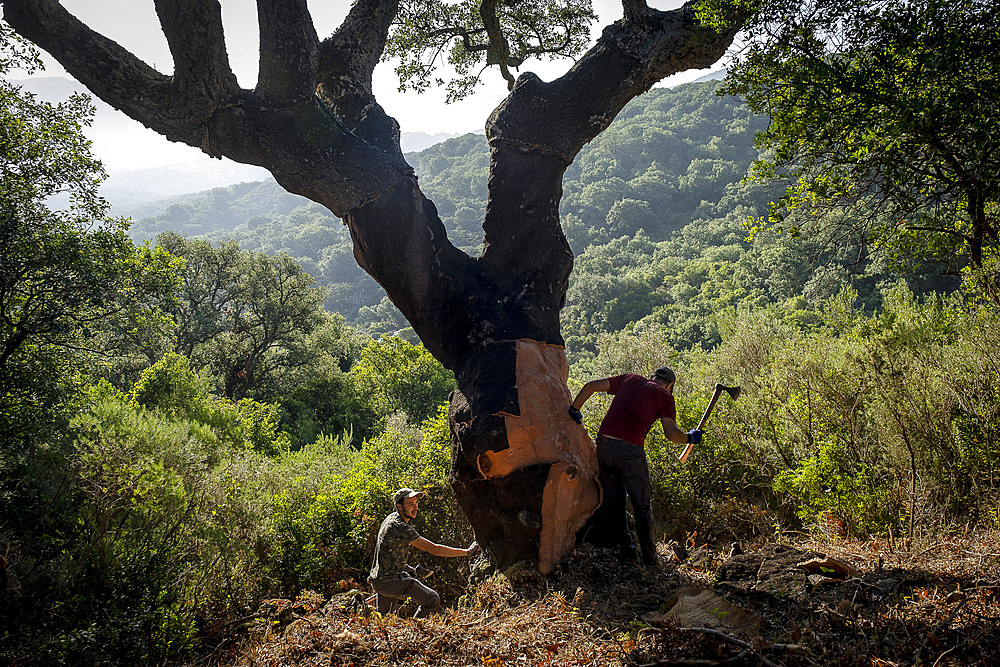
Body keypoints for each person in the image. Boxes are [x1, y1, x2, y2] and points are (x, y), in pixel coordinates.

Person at [569, 366, 702, 565]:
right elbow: (671, 434)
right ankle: (649, 557)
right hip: (629, 449)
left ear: (651, 377)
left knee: (615, 501)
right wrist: (690, 437)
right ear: (670, 385)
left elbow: (590, 386)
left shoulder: (630, 379)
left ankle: (628, 550)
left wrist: (574, 409)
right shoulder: (665, 396)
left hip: (604, 443)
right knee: (642, 504)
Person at [368, 487, 478, 617]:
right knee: (432, 599)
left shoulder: (391, 519)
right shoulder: (401, 527)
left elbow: (387, 552)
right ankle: (415, 631)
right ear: (399, 506)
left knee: (384, 620)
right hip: (390, 582)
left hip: (379, 580)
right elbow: (434, 549)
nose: (415, 507)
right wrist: (466, 552)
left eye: (416, 503)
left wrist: (407, 569)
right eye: (410, 504)